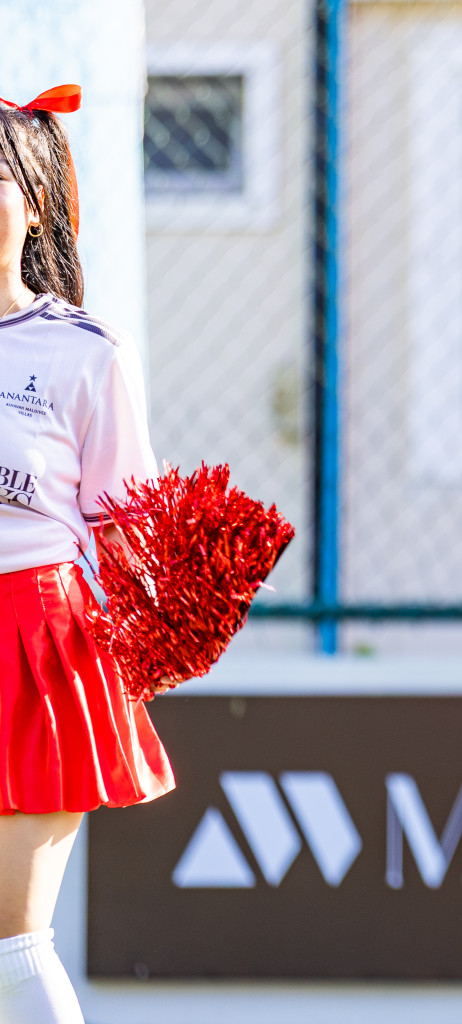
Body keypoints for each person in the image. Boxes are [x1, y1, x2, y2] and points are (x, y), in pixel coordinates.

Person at [0, 87, 176, 1024]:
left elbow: (130, 527)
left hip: (35, 635)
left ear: (33, 199)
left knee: (13, 950)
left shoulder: (85, 351)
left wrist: (168, 628)